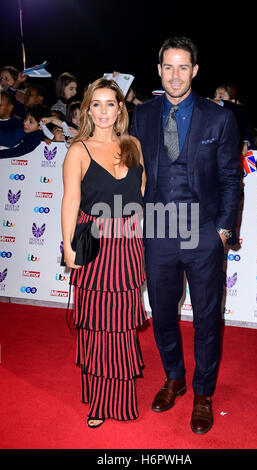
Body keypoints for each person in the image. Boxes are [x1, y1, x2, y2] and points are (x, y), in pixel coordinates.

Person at [130, 36, 240, 434]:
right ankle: (174, 377)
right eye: (168, 67)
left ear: (194, 71)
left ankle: (204, 392)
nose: (175, 75)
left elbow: (231, 179)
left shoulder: (219, 118)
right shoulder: (142, 116)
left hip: (203, 232)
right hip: (158, 228)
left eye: (183, 67)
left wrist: (224, 231)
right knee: (161, 313)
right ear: (159, 70)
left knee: (208, 318)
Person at [61, 78, 147, 428]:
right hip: (94, 243)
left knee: (123, 326)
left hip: (127, 245)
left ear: (120, 108)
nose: (103, 111)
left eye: (110, 103)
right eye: (95, 104)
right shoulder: (78, 150)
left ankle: (121, 400)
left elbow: (139, 195)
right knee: (97, 326)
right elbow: (70, 201)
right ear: (87, 110)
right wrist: (67, 246)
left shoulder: (134, 146)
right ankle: (99, 401)